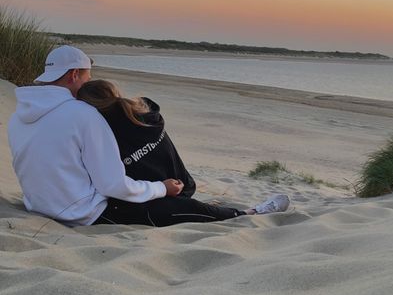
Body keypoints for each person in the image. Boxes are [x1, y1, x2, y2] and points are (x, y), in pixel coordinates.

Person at [8, 45, 290, 227]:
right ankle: (251, 214)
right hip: (82, 215)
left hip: (41, 208)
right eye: (87, 76)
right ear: (73, 75)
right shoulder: (82, 115)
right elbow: (113, 185)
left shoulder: (17, 116)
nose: (88, 83)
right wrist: (162, 188)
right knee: (173, 209)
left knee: (160, 198)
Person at [76, 78, 290, 226]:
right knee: (190, 207)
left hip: (164, 191)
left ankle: (250, 213)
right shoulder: (146, 112)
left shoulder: (108, 132)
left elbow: (114, 183)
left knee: (184, 210)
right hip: (183, 182)